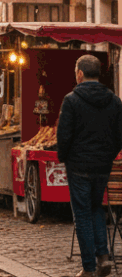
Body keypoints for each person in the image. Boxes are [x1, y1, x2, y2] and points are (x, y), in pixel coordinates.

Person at [57, 55, 122, 277]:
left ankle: (89, 267)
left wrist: (64, 157)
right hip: (102, 166)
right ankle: (103, 257)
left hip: (78, 166)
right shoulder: (114, 101)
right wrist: (108, 156)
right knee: (96, 208)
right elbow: (119, 136)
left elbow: (64, 136)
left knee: (82, 214)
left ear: (80, 74)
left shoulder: (71, 100)